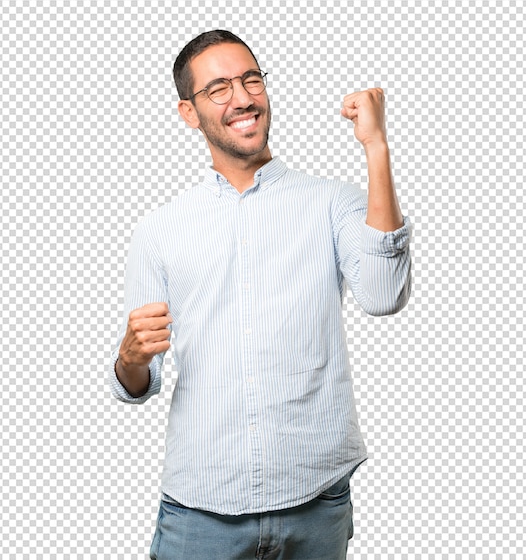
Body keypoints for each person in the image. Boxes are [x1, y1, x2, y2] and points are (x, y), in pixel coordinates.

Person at [109, 30, 412, 560]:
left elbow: (384, 295)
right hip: (200, 512)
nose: (243, 98)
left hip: (316, 503)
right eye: (219, 88)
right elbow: (140, 385)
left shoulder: (332, 203)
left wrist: (376, 147)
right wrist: (128, 359)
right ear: (189, 113)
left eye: (251, 79)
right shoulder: (160, 230)